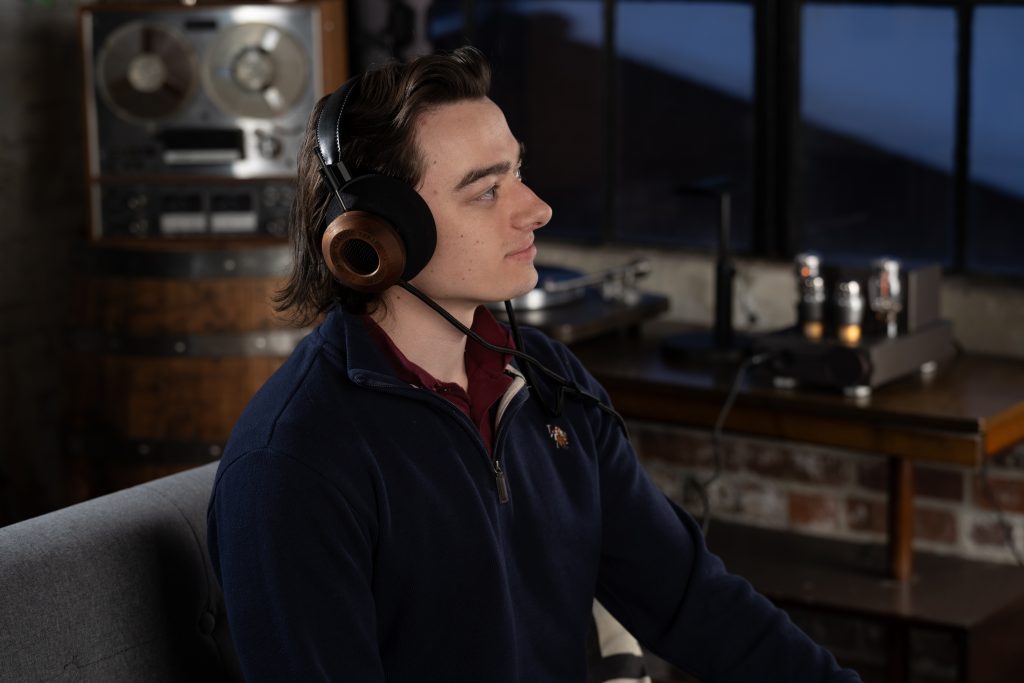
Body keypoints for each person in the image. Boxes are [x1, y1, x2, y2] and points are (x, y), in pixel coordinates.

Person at [206, 46, 862, 683]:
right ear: (376, 236)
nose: (537, 209)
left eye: (517, 172)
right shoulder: (294, 463)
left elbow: (694, 602)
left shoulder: (549, 381)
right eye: (487, 191)